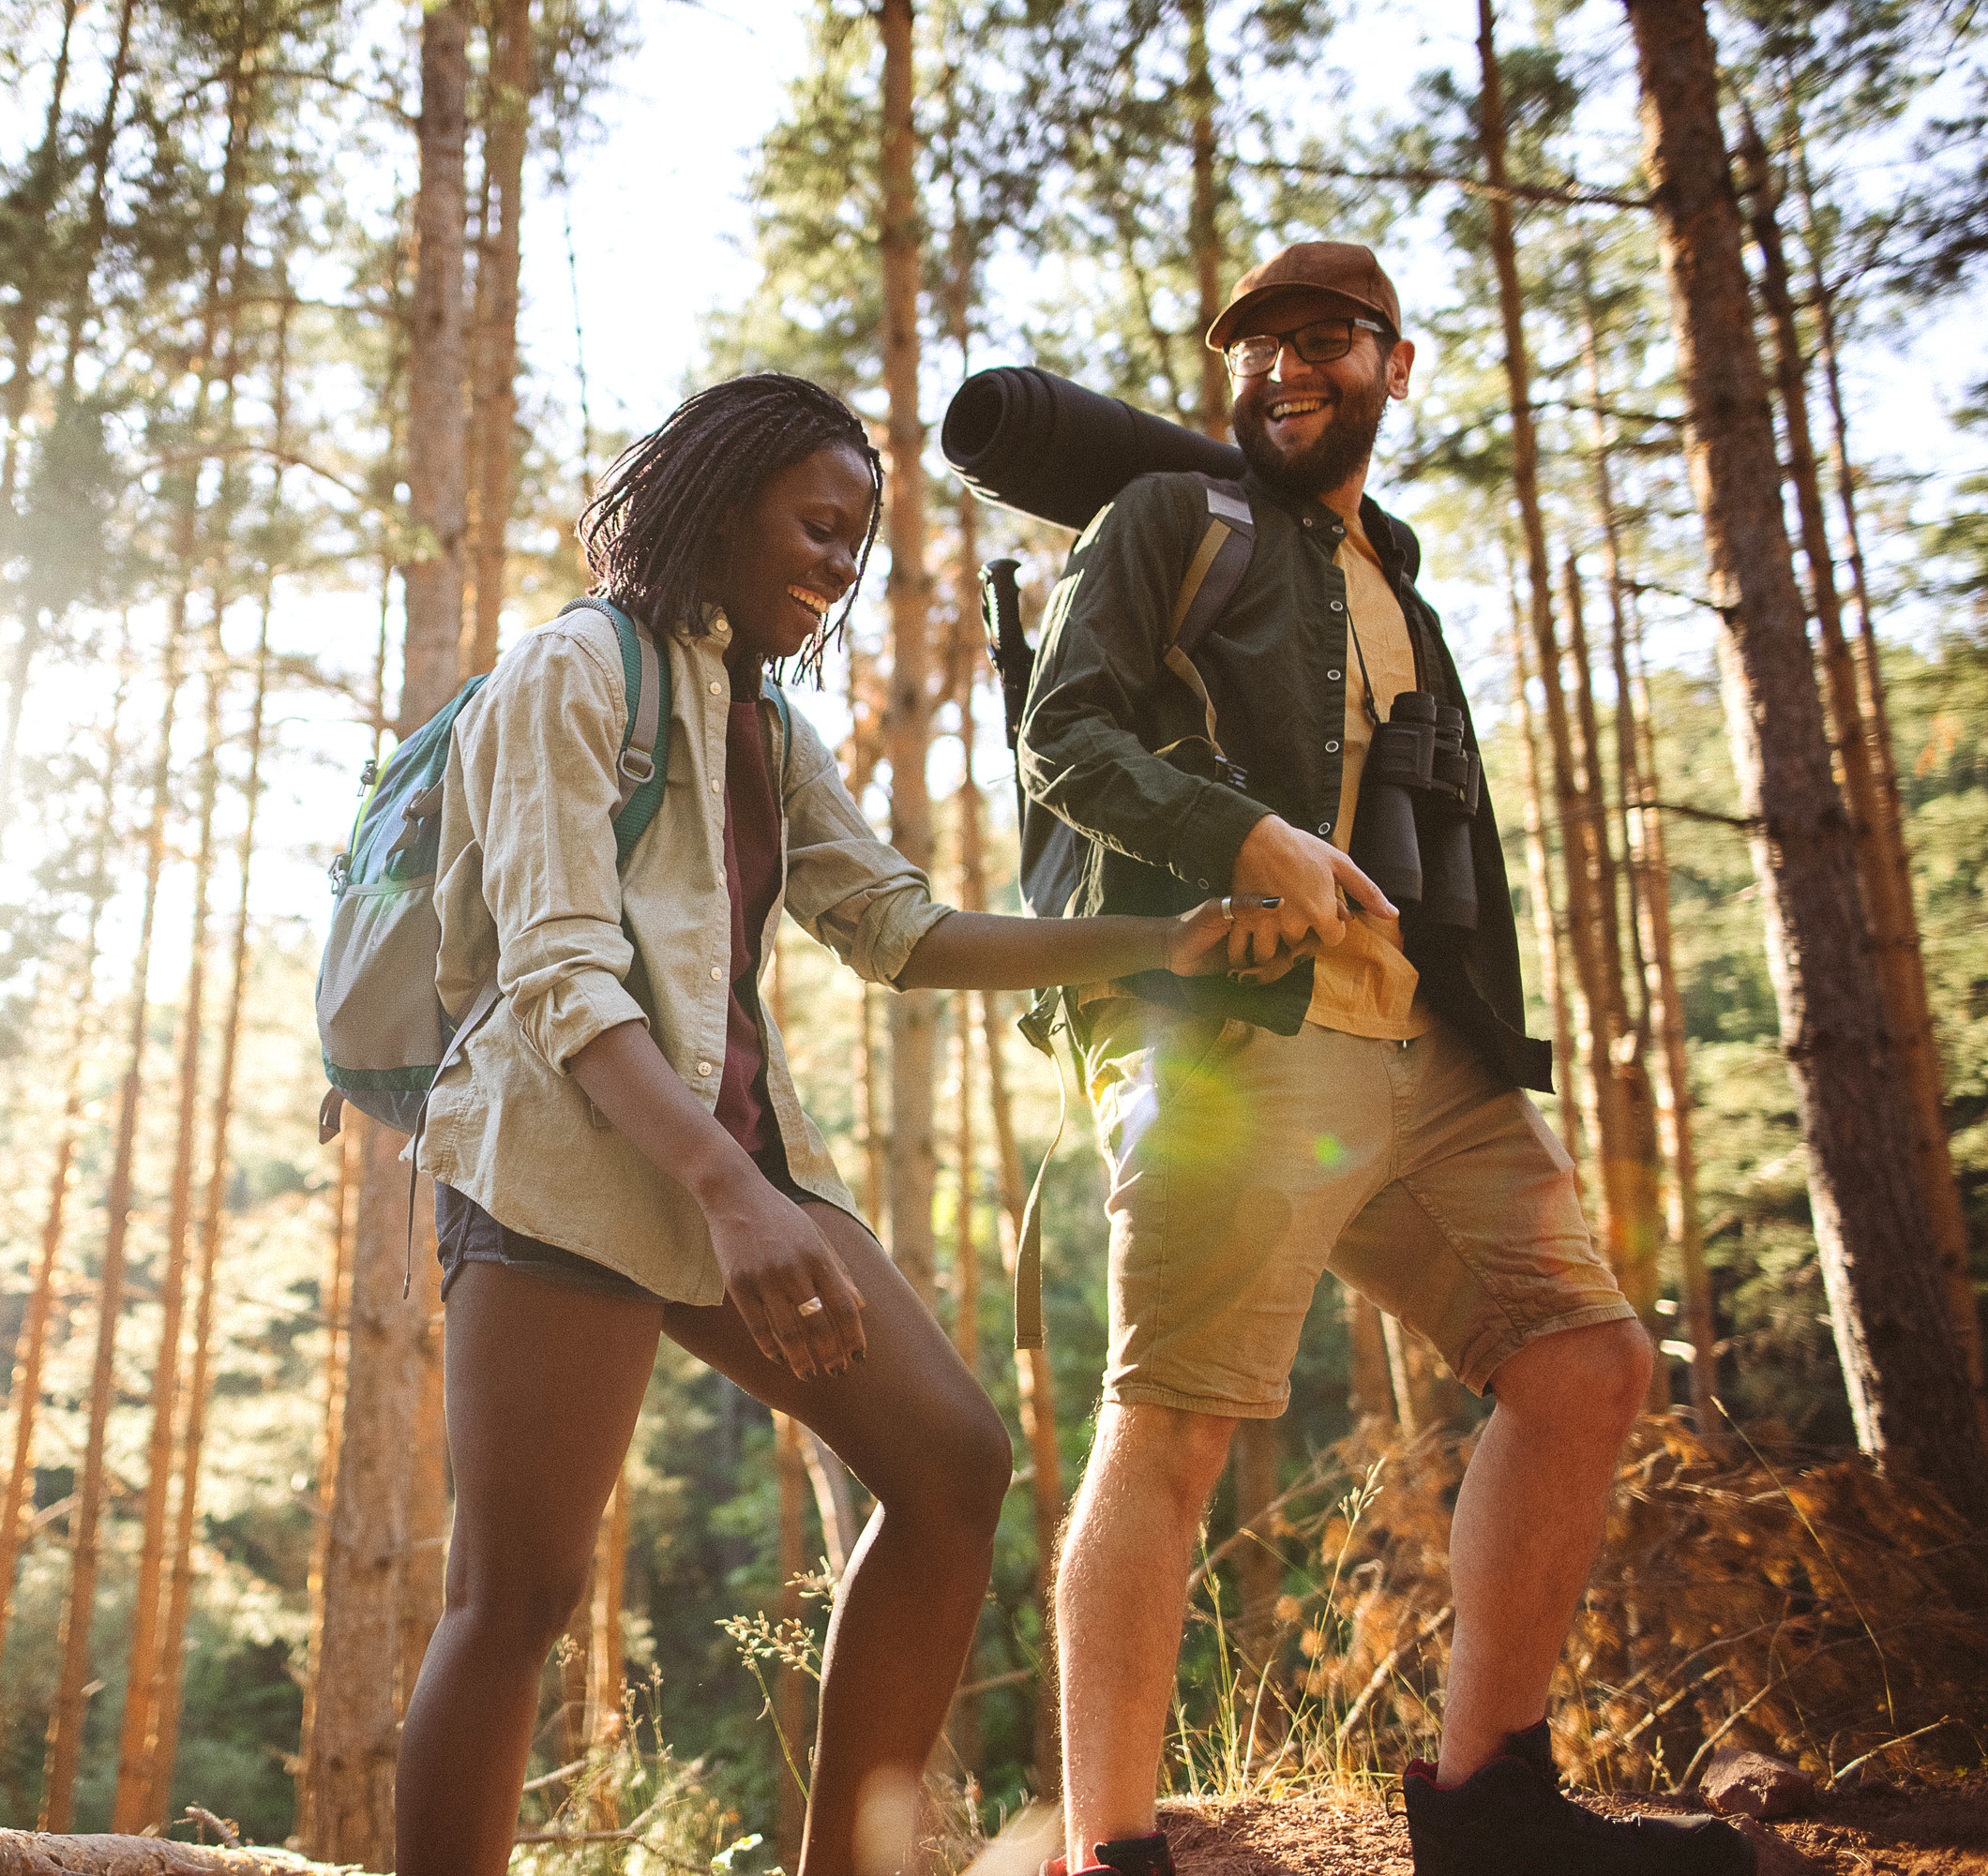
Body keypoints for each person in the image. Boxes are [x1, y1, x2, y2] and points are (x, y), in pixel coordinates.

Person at [402, 371, 1239, 1876]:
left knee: (950, 1466)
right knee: (516, 1597)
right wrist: (732, 1192)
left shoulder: (756, 720)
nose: (837, 565)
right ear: (721, 505)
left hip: (736, 1166)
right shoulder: (569, 671)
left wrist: (1157, 943)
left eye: (855, 543)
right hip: (555, 1167)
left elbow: (901, 927)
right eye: (817, 525)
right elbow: (559, 975)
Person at [1017, 243, 1754, 1876]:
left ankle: (1493, 1805)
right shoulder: (1166, 523)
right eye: (1257, 345)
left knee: (1583, 1360)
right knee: (1177, 1420)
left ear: (1394, 365)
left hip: (1424, 1041)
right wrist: (1239, 836)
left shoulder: (1396, 583)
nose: (1284, 366)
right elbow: (1060, 736)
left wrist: (1484, 1013)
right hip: (1235, 1035)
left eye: (1324, 339)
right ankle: (1111, 1854)